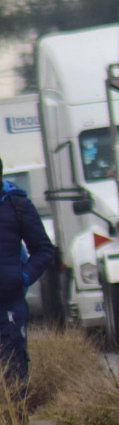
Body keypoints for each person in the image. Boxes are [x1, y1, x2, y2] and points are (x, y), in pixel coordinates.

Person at [0, 157, 56, 407]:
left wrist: (22, 277)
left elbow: (44, 250)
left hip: (9, 306)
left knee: (14, 376)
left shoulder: (17, 204)